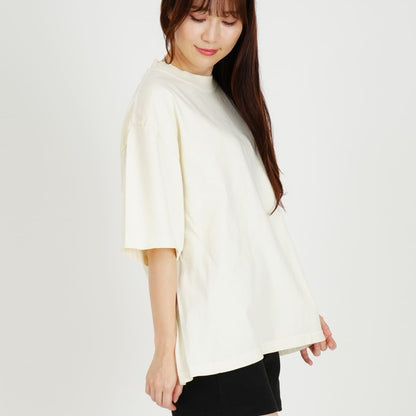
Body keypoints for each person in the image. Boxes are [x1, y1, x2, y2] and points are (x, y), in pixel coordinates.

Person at [120, 0, 337, 415]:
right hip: (213, 341)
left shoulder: (222, 93)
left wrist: (296, 312)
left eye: (229, 20)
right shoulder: (159, 99)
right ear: (170, 14)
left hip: (246, 332)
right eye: (199, 17)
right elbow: (160, 238)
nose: (212, 35)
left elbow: (251, 226)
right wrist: (164, 351)